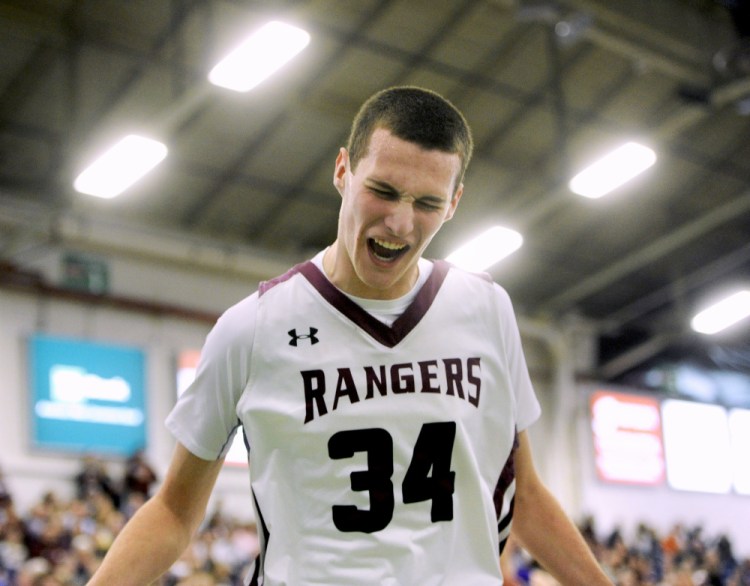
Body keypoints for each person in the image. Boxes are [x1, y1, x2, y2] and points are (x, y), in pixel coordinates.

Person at [88, 86, 611, 585]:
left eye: (427, 203)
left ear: (454, 203)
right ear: (343, 170)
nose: (400, 223)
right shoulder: (252, 329)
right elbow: (175, 512)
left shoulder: (487, 310)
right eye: (382, 191)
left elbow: (524, 494)